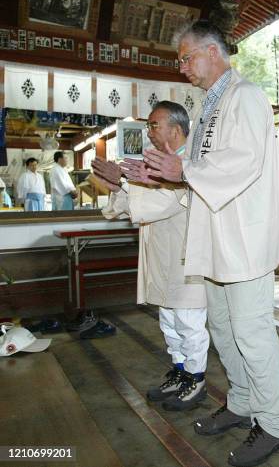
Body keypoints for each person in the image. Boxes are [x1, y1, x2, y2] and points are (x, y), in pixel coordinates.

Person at [120, 20, 279, 467]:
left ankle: (275, 423)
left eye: (185, 56)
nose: (182, 67)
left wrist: (183, 173)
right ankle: (241, 403)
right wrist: (162, 175)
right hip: (217, 239)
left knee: (252, 332)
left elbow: (243, 163)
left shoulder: (247, 96)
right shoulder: (207, 108)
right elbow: (200, 174)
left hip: (244, 240)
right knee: (221, 327)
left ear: (212, 52)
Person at [94, 101, 209, 412]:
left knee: (188, 320)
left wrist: (124, 183)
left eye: (154, 125)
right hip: (160, 253)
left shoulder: (193, 163)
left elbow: (166, 202)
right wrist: (117, 187)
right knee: (169, 320)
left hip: (186, 254)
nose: (149, 132)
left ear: (175, 128)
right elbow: (132, 202)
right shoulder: (158, 161)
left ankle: (196, 380)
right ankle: (181, 370)